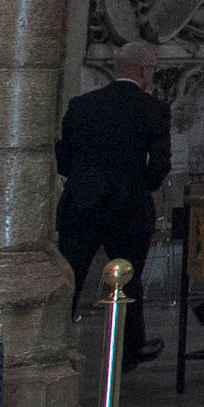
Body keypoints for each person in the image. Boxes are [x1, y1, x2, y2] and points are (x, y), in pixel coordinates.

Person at [56, 41, 170, 363]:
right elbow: (160, 164)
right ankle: (131, 348)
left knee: (70, 276)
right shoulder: (153, 109)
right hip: (128, 207)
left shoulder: (82, 105)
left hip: (82, 203)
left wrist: (82, 180)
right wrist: (142, 185)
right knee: (128, 280)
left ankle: (54, 341)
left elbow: (63, 157)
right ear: (146, 70)